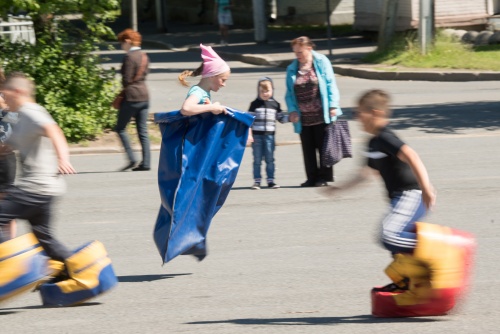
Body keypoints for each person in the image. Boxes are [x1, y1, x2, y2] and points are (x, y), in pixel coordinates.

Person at [320, 89, 436, 283]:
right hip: (400, 199)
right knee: (395, 247)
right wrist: (339, 188)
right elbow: (365, 174)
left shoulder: (384, 137)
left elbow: (411, 155)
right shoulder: (373, 143)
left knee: (389, 235)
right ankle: (410, 284)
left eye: (360, 112)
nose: (357, 117)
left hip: (412, 196)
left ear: (376, 113)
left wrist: (426, 188)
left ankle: (434, 252)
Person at [0, 72, 76, 265]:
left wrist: (63, 159)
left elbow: (54, 130)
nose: (4, 100)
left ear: (17, 91)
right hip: (46, 190)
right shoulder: (20, 118)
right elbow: (7, 146)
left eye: (5, 95)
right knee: (45, 239)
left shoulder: (31, 111)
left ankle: (9, 264)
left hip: (34, 188)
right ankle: (75, 270)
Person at [285, 36, 343, 187]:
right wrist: (292, 110)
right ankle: (311, 177)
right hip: (303, 116)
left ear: (309, 48)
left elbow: (330, 84)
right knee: (308, 148)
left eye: (300, 52)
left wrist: (333, 105)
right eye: (295, 52)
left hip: (321, 113)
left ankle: (323, 177)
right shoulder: (292, 68)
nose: (298, 55)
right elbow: (289, 94)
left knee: (324, 146)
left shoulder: (321, 61)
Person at [115, 29, 151, 172]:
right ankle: (146, 162)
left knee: (120, 128)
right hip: (145, 96)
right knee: (142, 130)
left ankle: (132, 159)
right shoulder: (144, 56)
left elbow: (127, 79)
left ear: (128, 42)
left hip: (132, 97)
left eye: (122, 43)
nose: (121, 46)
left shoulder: (129, 57)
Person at [247, 77, 287, 190]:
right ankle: (257, 181)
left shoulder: (275, 105)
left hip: (270, 136)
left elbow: (281, 118)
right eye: (262, 91)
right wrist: (249, 135)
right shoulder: (254, 104)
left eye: (267, 91)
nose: (265, 93)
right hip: (257, 136)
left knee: (270, 159)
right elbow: (249, 121)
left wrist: (291, 118)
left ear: (272, 90)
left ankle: (271, 180)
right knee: (257, 159)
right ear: (258, 91)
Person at [178, 44, 230, 117]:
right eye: (223, 80)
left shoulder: (204, 92)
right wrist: (212, 107)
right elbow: (186, 109)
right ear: (212, 76)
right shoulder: (199, 92)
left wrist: (211, 108)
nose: (224, 84)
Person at [0, 90, 17, 240]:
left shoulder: (5, 96)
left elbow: (16, 120)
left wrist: (3, 107)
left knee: (6, 203)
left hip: (5, 158)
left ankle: (10, 246)